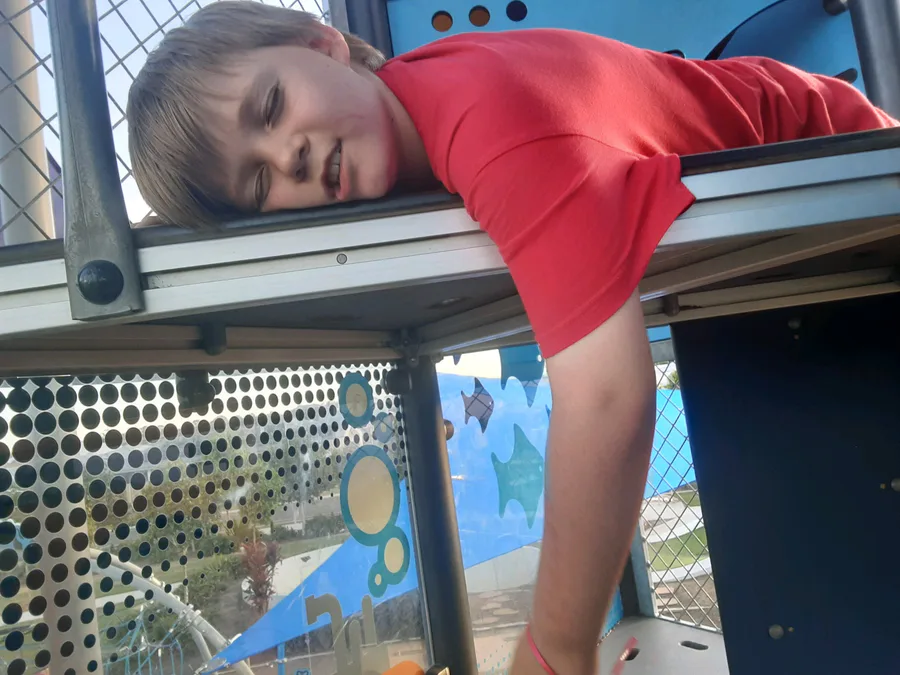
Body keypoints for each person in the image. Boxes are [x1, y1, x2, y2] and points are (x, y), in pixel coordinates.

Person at [126, 3, 898, 673]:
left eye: (270, 106)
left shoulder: (493, 123)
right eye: (259, 184)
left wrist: (555, 647)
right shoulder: (413, 105)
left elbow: (606, 396)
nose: (286, 155)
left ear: (324, 44)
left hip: (836, 157)